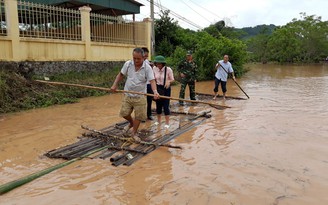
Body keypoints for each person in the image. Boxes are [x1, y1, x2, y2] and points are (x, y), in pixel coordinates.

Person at [110, 48, 159, 141]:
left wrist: (155, 91)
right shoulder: (128, 64)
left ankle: (134, 133)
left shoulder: (147, 68)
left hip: (140, 96)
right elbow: (120, 75)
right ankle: (131, 123)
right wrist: (114, 85)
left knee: (139, 116)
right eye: (134, 58)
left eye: (138, 59)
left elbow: (152, 81)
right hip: (128, 94)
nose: (136, 60)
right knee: (124, 113)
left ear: (143, 58)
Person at [152, 55, 174, 128]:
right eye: (157, 63)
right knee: (158, 105)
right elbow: (153, 79)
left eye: (160, 64)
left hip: (166, 88)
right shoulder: (154, 68)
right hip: (158, 88)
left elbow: (172, 79)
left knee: (165, 106)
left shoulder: (168, 69)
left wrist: (169, 82)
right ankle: (158, 121)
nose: (158, 65)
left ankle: (167, 123)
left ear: (163, 64)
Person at [141, 47, 155, 120]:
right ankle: (142, 116)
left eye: (147, 56)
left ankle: (149, 114)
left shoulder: (147, 62)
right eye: (145, 56)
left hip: (148, 84)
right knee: (141, 102)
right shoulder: (137, 63)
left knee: (149, 100)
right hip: (141, 85)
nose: (146, 58)